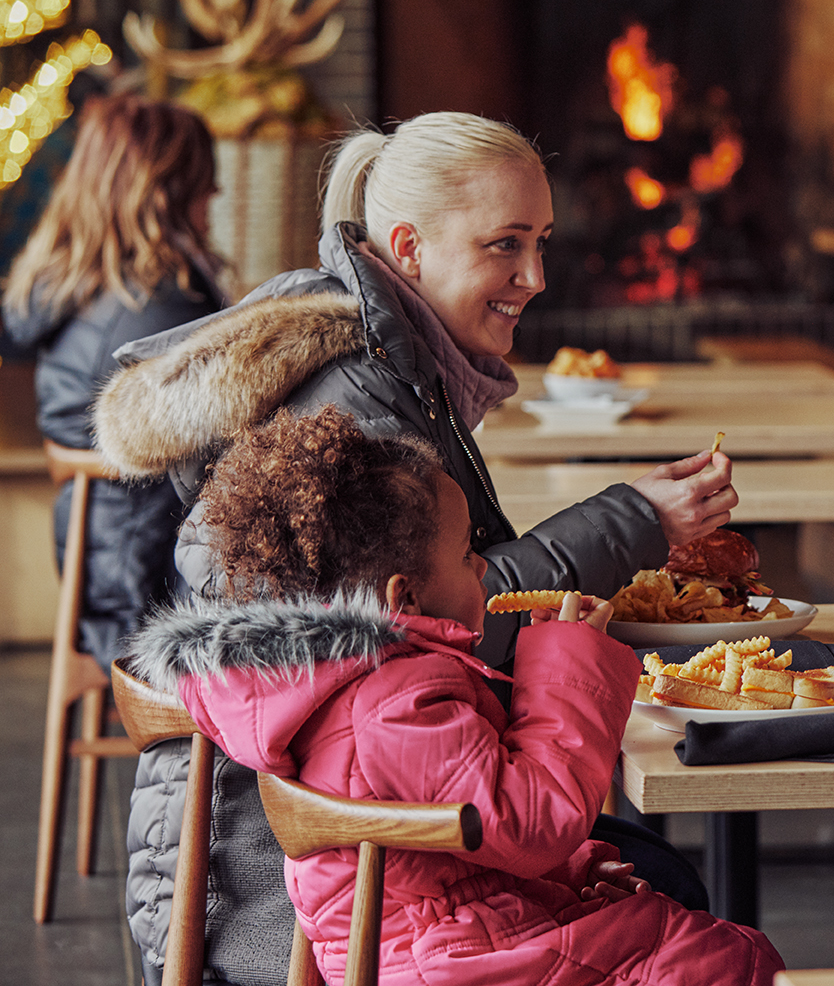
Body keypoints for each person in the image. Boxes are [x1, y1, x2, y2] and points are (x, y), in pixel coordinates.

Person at [95, 112, 732, 986]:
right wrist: (630, 523)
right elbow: (436, 619)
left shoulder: (391, 362)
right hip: (283, 885)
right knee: (663, 886)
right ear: (409, 246)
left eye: (541, 241)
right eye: (505, 244)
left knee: (643, 875)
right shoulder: (351, 394)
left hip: (336, 837)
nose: (535, 276)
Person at [131, 406, 784, 985]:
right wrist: (567, 659)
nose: (483, 565)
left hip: (454, 936)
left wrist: (572, 871)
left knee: (680, 922)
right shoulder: (395, 697)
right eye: (468, 550)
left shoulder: (352, 676)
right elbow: (530, 822)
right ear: (403, 597)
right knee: (727, 960)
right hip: (456, 960)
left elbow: (460, 832)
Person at [1, 95, 226, 675]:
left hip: (98, 571)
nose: (217, 195)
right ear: (167, 191)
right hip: (153, 587)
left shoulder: (74, 289)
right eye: (206, 180)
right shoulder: (163, 306)